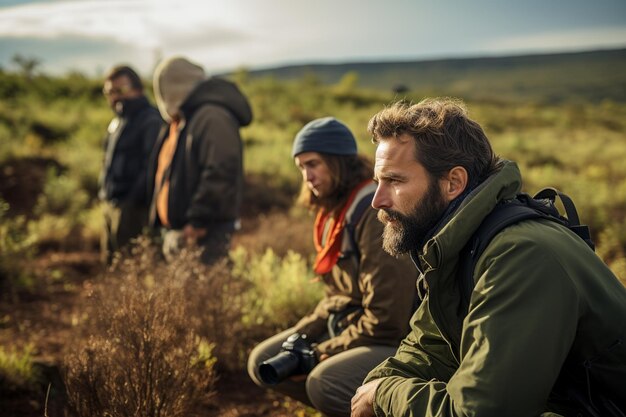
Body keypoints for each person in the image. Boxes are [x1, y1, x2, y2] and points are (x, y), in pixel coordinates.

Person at [351, 98, 626, 417]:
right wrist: (382, 383)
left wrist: (385, 395)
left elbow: (482, 412)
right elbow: (428, 346)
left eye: (395, 181)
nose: (377, 201)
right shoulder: (457, 245)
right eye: (377, 182)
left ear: (453, 183)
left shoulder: (519, 255)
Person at [247, 117, 418, 417]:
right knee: (264, 360)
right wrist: (299, 337)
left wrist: (318, 354)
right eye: (301, 167)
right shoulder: (335, 214)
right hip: (352, 325)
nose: (307, 177)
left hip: (395, 340)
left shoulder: (374, 215)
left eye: (313, 164)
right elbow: (335, 298)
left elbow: (386, 319)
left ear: (338, 162)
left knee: (323, 381)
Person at [148, 56, 252, 264]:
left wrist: (198, 221)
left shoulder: (212, 117)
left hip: (202, 234)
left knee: (203, 294)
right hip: (185, 231)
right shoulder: (188, 118)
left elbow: (221, 171)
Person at [99, 65, 163, 264]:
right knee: (111, 264)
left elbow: (152, 166)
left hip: (134, 209)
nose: (115, 97)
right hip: (111, 204)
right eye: (110, 92)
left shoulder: (150, 120)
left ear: (138, 89)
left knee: (131, 266)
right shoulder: (117, 122)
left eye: (121, 90)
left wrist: (131, 201)